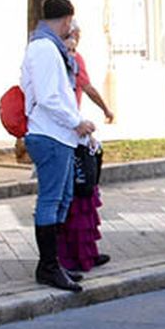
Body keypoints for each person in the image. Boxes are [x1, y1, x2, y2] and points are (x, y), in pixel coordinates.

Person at [20, 0, 94, 291]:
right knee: (50, 201)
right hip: (49, 134)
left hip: (59, 135)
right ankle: (49, 266)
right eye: (70, 22)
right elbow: (50, 97)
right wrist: (76, 122)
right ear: (65, 20)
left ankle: (53, 263)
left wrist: (77, 125)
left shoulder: (49, 48)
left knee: (62, 199)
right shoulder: (44, 49)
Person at [58, 21, 114, 275]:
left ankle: (86, 252)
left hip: (77, 130)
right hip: (63, 134)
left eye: (76, 38)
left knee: (85, 194)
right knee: (71, 197)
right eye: (71, 37)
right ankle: (67, 256)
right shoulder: (55, 61)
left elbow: (86, 88)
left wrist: (103, 110)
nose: (74, 43)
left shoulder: (75, 60)